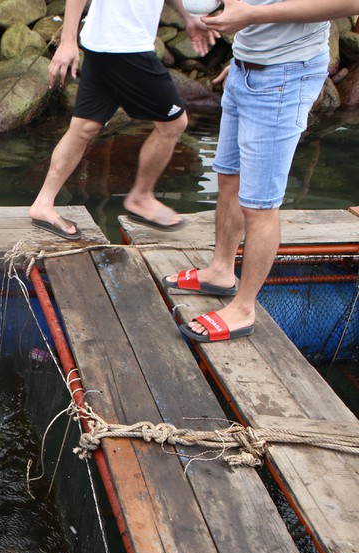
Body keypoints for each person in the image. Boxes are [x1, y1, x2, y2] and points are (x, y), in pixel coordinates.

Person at [172, 0, 359, 343]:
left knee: (260, 204)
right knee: (228, 176)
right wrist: (240, 57)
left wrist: (252, 16)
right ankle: (221, 271)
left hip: (284, 77)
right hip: (244, 68)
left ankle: (243, 308)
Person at [28, 0, 216, 240]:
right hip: (126, 47)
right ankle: (141, 198)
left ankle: (43, 203)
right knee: (174, 124)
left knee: (84, 127)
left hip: (104, 44)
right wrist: (67, 41)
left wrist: (188, 17)